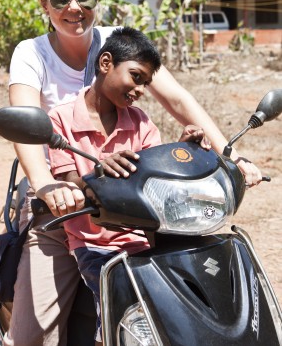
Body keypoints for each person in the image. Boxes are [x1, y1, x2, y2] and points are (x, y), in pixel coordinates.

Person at [6, 0, 262, 346]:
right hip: (65, 203)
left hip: (131, 210)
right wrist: (47, 188)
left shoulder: (122, 50)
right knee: (34, 334)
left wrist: (226, 156)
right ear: (45, 3)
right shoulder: (32, 54)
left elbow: (177, 100)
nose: (74, 8)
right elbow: (27, 127)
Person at [48, 26, 211, 345]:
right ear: (106, 63)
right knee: (121, 310)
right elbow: (70, 184)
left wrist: (181, 151)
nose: (140, 89)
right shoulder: (61, 119)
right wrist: (98, 173)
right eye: (136, 77)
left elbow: (156, 178)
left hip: (144, 239)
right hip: (95, 244)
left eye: (146, 84)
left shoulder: (141, 123)